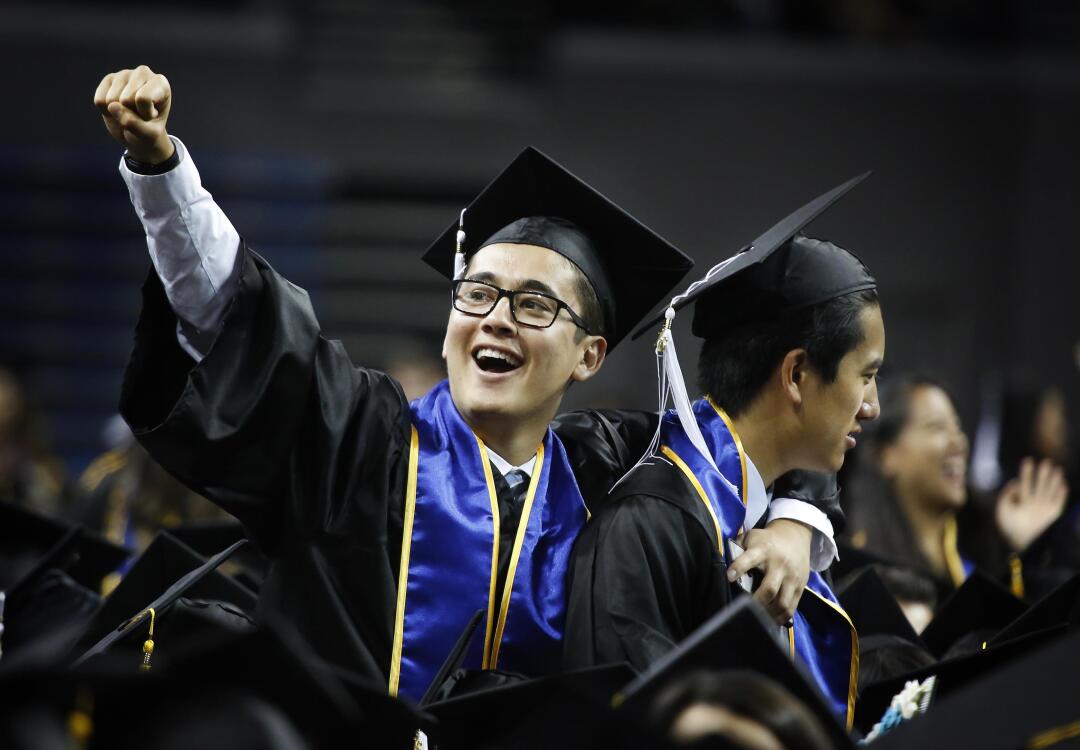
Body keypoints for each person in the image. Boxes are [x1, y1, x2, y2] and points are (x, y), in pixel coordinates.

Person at [94, 66, 847, 706]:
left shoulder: (612, 467)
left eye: (533, 306)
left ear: (589, 356)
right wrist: (162, 172)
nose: (495, 321)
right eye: (476, 295)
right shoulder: (358, 440)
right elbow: (238, 313)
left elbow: (764, 432)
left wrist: (795, 520)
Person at [564, 175, 883, 729]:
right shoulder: (649, 525)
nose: (873, 407)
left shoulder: (762, 502)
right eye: (867, 376)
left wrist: (797, 520)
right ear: (798, 374)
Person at [845, 375, 1067, 600]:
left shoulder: (986, 557)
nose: (959, 442)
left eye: (958, 428)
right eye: (937, 427)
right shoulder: (860, 574)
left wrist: (1027, 548)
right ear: (886, 455)